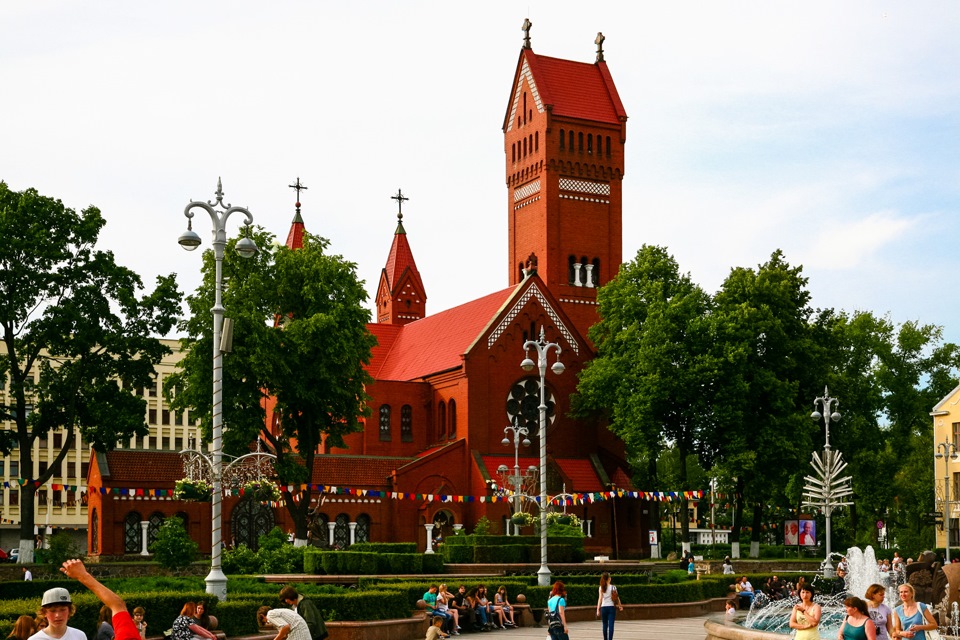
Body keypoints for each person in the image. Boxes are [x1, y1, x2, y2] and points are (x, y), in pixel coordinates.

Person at [31, 560, 139, 640]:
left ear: (70, 611)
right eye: (53, 610)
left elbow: (118, 605)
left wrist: (82, 575)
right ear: (44, 612)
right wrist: (83, 575)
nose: (58, 615)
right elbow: (118, 605)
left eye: (62, 609)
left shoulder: (79, 635)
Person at [596, 572, 623, 640]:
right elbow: (617, 598)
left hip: (603, 608)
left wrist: (598, 609)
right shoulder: (613, 587)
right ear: (608, 579)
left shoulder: (601, 588)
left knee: (605, 625)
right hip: (611, 607)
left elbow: (600, 599)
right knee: (611, 625)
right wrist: (620, 606)